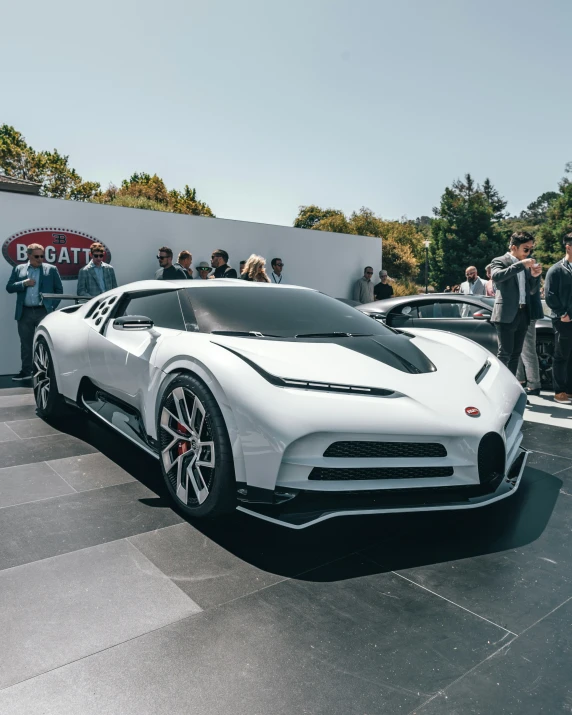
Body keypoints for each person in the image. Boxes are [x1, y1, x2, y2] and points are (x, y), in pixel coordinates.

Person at [6, 243, 63, 381]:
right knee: (26, 343)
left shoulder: (51, 269)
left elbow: (59, 291)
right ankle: (26, 371)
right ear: (29, 255)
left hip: (43, 311)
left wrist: (50, 307)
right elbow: (9, 287)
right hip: (24, 312)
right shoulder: (18, 269)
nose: (40, 259)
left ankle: (49, 372)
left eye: (42, 256)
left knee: (47, 342)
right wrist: (24, 283)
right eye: (36, 256)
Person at [490, 232, 542, 375]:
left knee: (516, 355)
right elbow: (496, 276)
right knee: (505, 354)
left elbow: (531, 291)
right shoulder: (500, 260)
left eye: (531, 249)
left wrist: (535, 277)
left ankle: (512, 389)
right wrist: (520, 265)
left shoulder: (526, 264)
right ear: (514, 247)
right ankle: (499, 388)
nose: (529, 252)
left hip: (523, 314)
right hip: (506, 315)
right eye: (526, 249)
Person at [544, 233, 572, 403]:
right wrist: (563, 314)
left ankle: (569, 390)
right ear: (568, 246)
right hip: (562, 320)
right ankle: (559, 391)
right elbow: (550, 295)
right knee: (561, 355)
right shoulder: (556, 269)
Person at [516, 289, 544, 396]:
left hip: (528, 314)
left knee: (527, 350)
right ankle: (521, 380)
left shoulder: (527, 273)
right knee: (518, 349)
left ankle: (534, 385)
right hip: (523, 313)